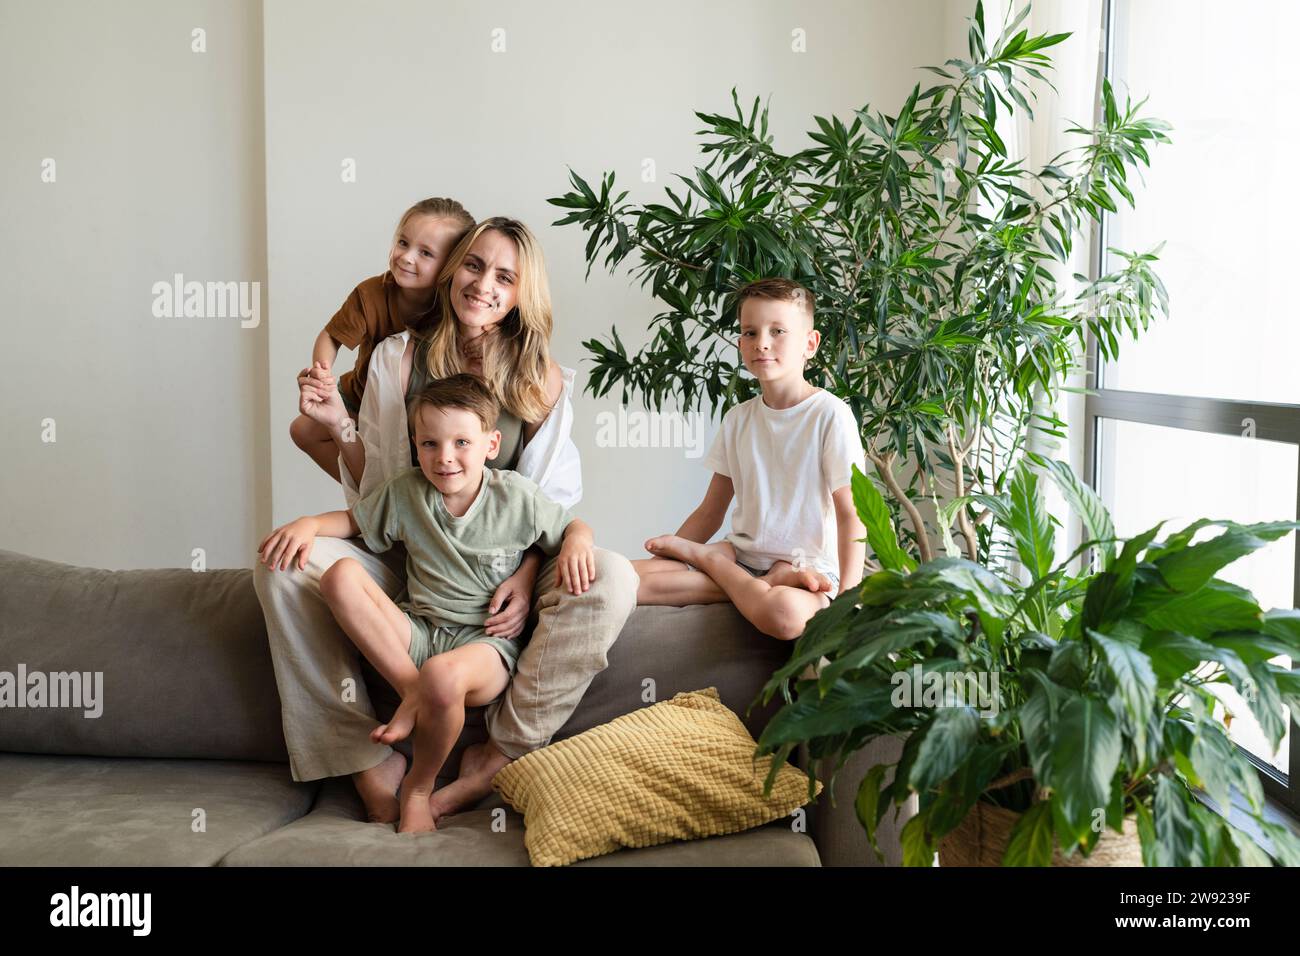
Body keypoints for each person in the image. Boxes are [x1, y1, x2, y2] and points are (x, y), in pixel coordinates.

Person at [254, 216, 638, 826]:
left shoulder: (545, 378)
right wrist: (335, 427)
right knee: (281, 565)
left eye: (504, 277)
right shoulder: (396, 357)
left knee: (614, 578)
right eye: (473, 265)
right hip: (414, 555)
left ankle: (504, 750)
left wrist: (529, 570)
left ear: (520, 295)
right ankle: (367, 748)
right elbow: (377, 486)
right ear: (453, 267)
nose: (483, 284)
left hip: (507, 567)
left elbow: (550, 504)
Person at [258, 375, 596, 832]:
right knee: (339, 576)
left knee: (441, 673)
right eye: (430, 444)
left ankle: (418, 787)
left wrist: (579, 539)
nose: (446, 457)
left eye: (461, 442)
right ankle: (411, 692)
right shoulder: (407, 492)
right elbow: (352, 520)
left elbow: (571, 526)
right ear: (415, 447)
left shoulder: (516, 497)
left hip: (484, 647)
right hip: (417, 633)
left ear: (491, 443)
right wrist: (307, 524)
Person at [633, 278, 866, 640]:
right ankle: (749, 577)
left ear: (810, 343)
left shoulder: (830, 415)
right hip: (741, 557)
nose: (762, 343)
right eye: (750, 332)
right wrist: (662, 567)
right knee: (629, 582)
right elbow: (710, 511)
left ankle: (710, 562)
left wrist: (848, 602)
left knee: (785, 615)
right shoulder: (738, 419)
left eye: (778, 331)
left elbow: (852, 515)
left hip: (808, 571)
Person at [289, 197, 474, 482]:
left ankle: (385, 493)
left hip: (411, 408)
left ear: (451, 264)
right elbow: (331, 336)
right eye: (403, 242)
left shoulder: (454, 305)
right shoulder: (372, 293)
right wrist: (322, 372)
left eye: (425, 253)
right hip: (359, 398)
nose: (406, 257)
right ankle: (367, 491)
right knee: (302, 430)